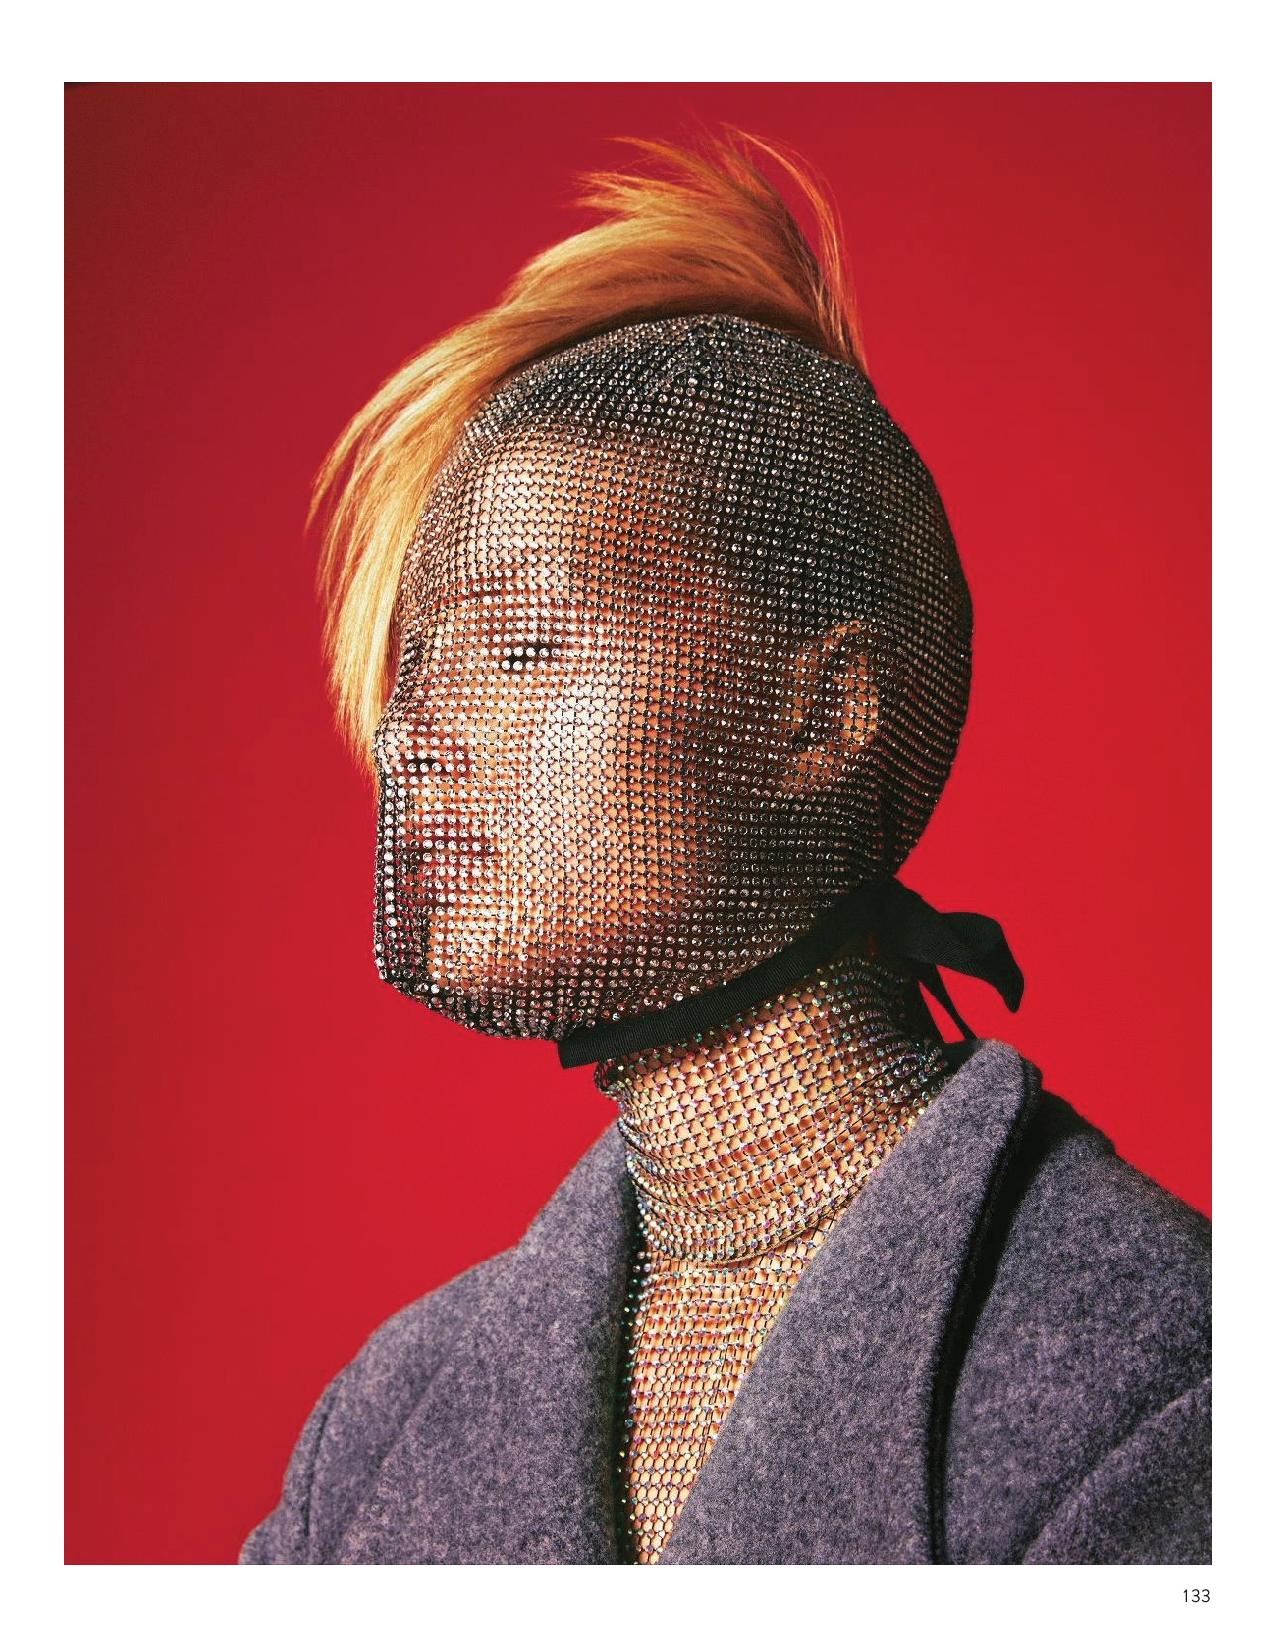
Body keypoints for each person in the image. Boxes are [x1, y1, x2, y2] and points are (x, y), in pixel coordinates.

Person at [240, 131, 1210, 1565]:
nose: (417, 737)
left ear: (820, 715)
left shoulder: (1162, 1379)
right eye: (419, 670)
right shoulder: (377, 1433)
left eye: (523, 647)